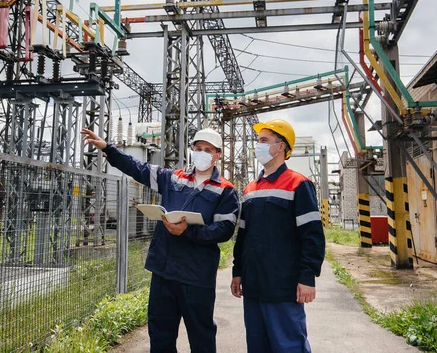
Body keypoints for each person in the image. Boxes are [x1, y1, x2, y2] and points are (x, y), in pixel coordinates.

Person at [81, 127, 239, 353]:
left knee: (201, 335)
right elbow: (138, 168)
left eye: (208, 149)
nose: (201, 153)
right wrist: (109, 149)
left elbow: (224, 230)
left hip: (196, 275)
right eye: (198, 148)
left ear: (217, 154)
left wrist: (188, 231)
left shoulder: (225, 190)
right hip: (164, 271)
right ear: (191, 150)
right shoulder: (174, 177)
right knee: (160, 335)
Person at [230, 119, 325, 353]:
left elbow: (312, 235)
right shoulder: (250, 189)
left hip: (284, 288)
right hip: (253, 287)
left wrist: (307, 277)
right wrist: (237, 272)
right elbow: (243, 237)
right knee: (257, 346)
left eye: (264, 141)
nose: (257, 145)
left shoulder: (298, 184)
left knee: (289, 346)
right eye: (258, 140)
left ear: (280, 146)